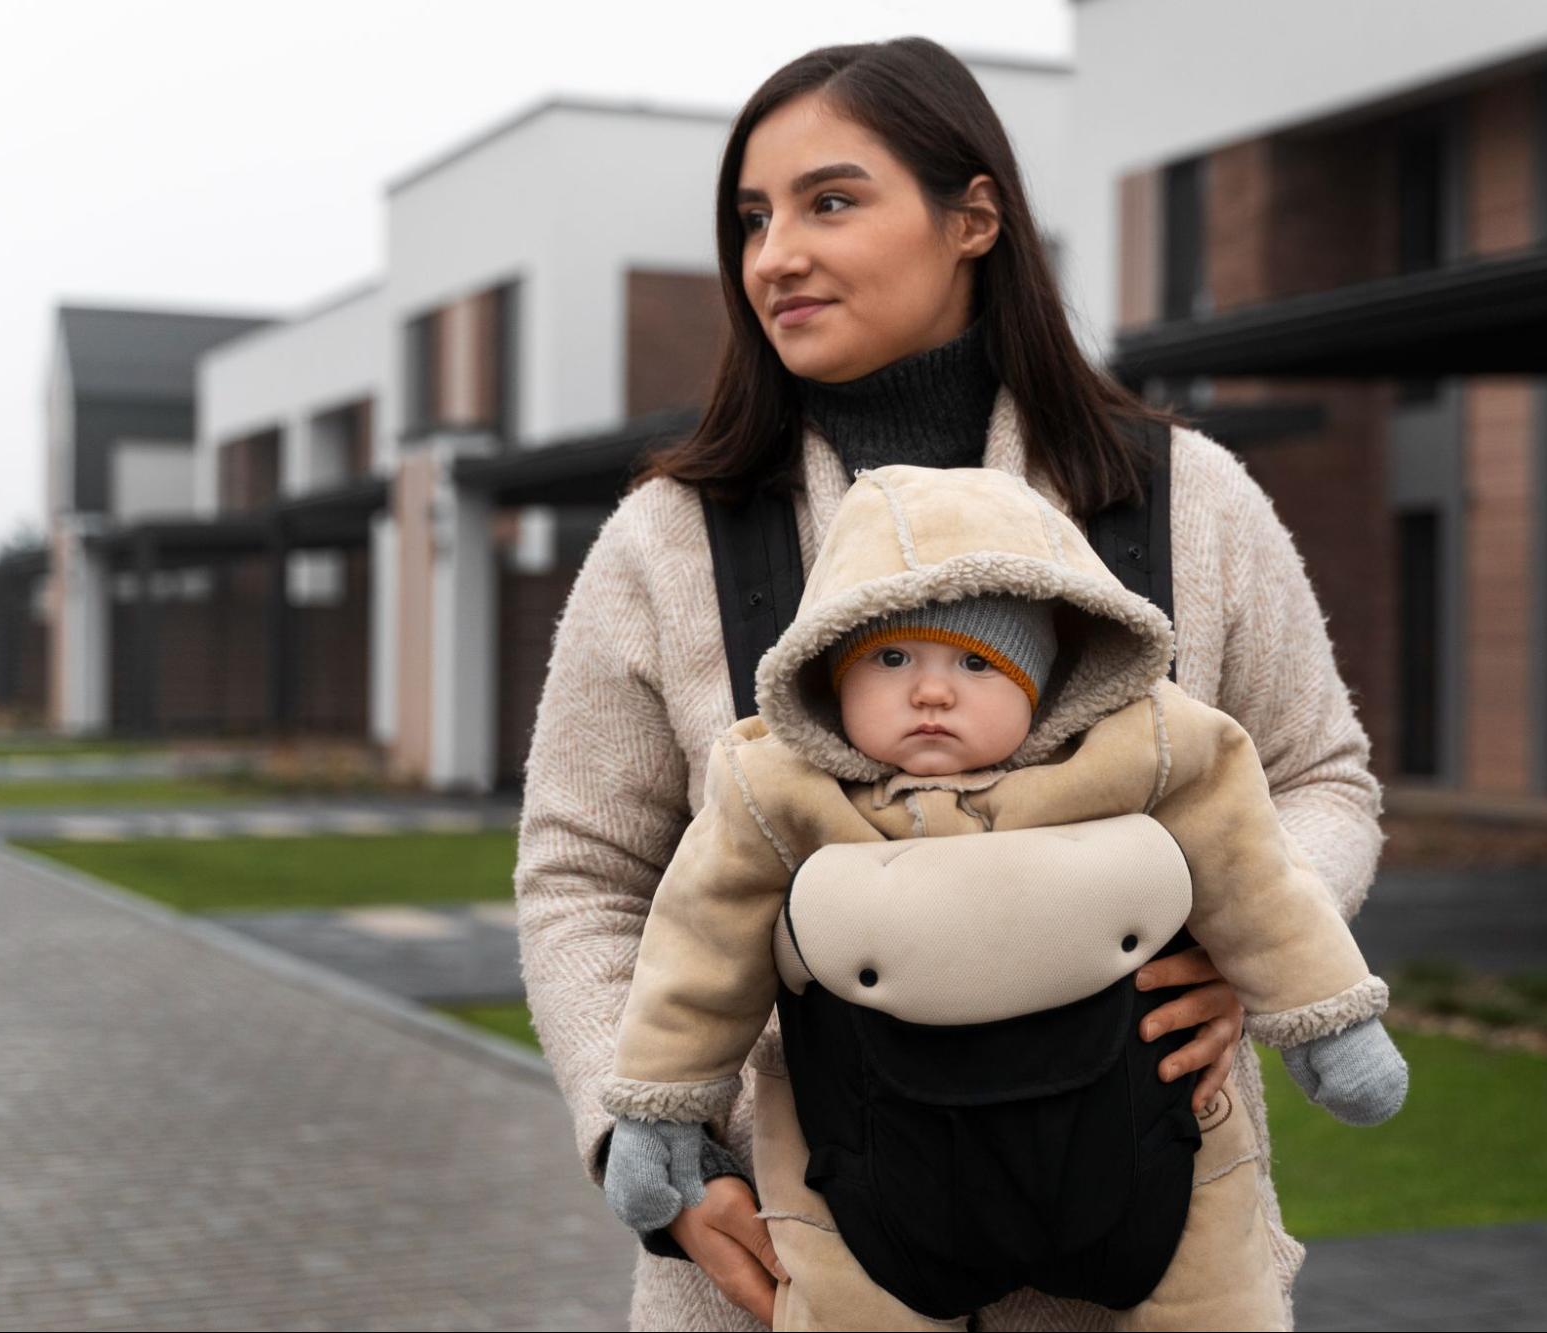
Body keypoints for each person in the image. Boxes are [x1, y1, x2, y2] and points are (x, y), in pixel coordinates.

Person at [514, 35, 1385, 1331]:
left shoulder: (1177, 497)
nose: (774, 255)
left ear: (973, 215)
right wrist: (664, 1162)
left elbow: (1317, 775)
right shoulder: (670, 538)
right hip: (777, 1279)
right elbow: (583, 876)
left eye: (829, 200)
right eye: (750, 218)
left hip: (1139, 1268)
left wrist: (1248, 940)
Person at [596, 462, 1408, 1329]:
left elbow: (1256, 873)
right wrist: (658, 1110)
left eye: (977, 661)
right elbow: (696, 948)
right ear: (827, 668)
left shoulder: (1146, 750)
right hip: (864, 1167)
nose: (931, 690)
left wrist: (1321, 1012)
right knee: (849, 1301)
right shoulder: (775, 787)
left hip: (1144, 1139)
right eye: (891, 657)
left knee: (1210, 1288)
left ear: (1046, 681)